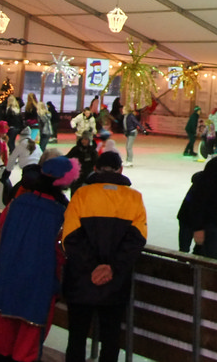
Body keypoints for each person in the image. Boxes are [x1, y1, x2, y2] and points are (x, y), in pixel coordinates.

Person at [0, 155, 79, 362]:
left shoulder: (16, 203)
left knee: (2, 341)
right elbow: (62, 253)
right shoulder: (61, 214)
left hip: (6, 278)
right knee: (27, 346)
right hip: (39, 284)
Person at [62, 151, 147, 362]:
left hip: (81, 280)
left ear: (96, 169)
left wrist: (92, 267)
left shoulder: (81, 195)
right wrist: (111, 268)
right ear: (120, 169)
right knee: (111, 337)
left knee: (77, 337)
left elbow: (70, 238)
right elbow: (137, 240)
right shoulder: (134, 198)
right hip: (115, 282)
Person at [67, 132, 98, 196]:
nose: (83, 141)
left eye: (86, 139)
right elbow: (68, 158)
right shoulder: (76, 149)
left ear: (89, 141)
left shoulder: (93, 151)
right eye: (82, 139)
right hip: (76, 175)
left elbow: (97, 163)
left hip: (88, 176)